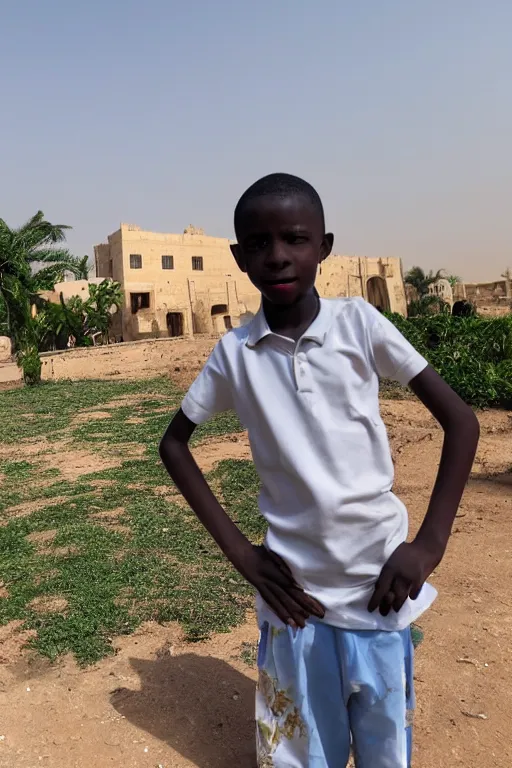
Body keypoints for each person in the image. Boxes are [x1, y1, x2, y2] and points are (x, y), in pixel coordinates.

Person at [159, 173, 479, 768]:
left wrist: (428, 545)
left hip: (379, 591)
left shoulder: (358, 325)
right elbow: (174, 446)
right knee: (302, 756)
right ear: (239, 256)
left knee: (386, 750)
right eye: (257, 244)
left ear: (324, 246)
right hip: (294, 603)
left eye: (295, 239)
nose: (277, 255)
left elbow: (461, 422)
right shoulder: (235, 354)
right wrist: (244, 557)